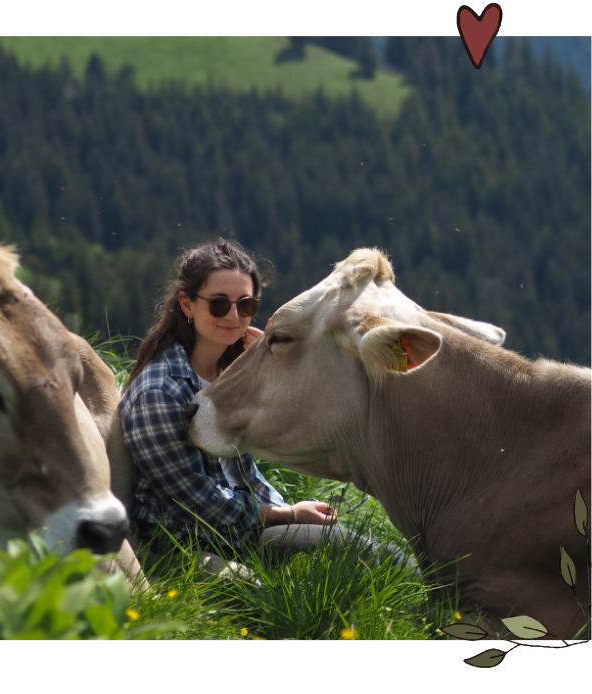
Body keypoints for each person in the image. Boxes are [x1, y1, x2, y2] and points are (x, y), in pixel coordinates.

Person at [120, 238, 417, 573]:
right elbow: (199, 504)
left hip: (242, 528)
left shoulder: (228, 371)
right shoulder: (159, 391)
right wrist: (289, 515)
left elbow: (245, 475)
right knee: (386, 562)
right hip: (192, 541)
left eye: (245, 304)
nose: (234, 315)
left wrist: (268, 357)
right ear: (187, 305)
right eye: (219, 304)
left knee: (368, 553)